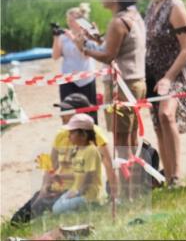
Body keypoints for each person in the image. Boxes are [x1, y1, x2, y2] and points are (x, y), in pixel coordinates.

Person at [11, 93, 115, 223]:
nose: (61, 114)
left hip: (78, 190)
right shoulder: (61, 134)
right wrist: (44, 189)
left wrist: (114, 195)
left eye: (65, 111)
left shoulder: (95, 134)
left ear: (80, 114)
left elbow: (108, 165)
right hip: (58, 188)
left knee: (56, 210)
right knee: (17, 220)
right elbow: (52, 167)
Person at [77, 0, 146, 167]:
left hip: (121, 86)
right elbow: (118, 48)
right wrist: (97, 40)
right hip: (135, 81)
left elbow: (109, 56)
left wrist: (83, 48)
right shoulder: (133, 16)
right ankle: (133, 186)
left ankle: (124, 188)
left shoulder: (117, 22)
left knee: (121, 140)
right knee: (131, 137)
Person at [139, 0, 186, 188]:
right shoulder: (151, 8)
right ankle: (168, 175)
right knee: (157, 123)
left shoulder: (176, 6)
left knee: (166, 115)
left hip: (174, 73)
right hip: (153, 74)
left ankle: (175, 176)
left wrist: (169, 77)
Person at [51, 113, 105, 215]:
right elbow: (78, 174)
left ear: (83, 135)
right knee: (56, 205)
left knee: (57, 209)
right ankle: (78, 210)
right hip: (77, 190)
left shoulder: (91, 151)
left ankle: (91, 207)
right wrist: (61, 176)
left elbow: (88, 177)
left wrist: (77, 192)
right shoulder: (79, 150)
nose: (68, 136)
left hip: (89, 195)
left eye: (72, 133)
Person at [52, 3, 98, 116]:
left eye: (72, 20)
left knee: (89, 112)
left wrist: (72, 38)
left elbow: (87, 55)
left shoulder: (89, 34)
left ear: (80, 21)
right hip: (68, 79)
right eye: (68, 20)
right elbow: (55, 56)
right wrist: (56, 37)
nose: (69, 23)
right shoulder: (64, 36)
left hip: (86, 79)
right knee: (68, 113)